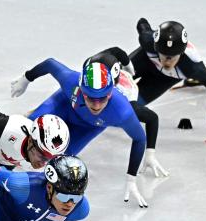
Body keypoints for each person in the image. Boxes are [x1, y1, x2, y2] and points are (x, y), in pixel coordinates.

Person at [10, 60, 149, 207]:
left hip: (89, 126)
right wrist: (26, 78)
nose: (96, 106)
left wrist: (131, 178)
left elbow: (140, 139)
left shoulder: (122, 111)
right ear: (81, 90)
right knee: (30, 130)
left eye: (102, 99)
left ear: (110, 94)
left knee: (58, 161)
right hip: (64, 105)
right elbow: (50, 64)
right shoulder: (71, 80)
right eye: (90, 98)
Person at [129, 18, 206, 144]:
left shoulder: (192, 67)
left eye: (172, 57)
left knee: (128, 107)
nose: (167, 61)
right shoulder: (148, 41)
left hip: (164, 79)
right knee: (111, 81)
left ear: (182, 53)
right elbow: (142, 22)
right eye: (164, 54)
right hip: (145, 61)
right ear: (156, 47)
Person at [84, 47, 169, 177]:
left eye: (101, 97)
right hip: (121, 73)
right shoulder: (90, 65)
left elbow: (152, 118)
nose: (96, 103)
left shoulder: (126, 103)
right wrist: (129, 65)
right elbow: (116, 51)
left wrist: (150, 153)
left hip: (130, 88)